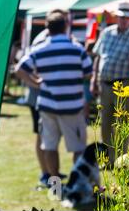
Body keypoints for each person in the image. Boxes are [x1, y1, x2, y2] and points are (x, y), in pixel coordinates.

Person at [15, 12, 92, 179]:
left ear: (47, 29)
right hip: (73, 106)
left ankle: (55, 188)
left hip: (48, 105)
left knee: (49, 147)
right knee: (78, 149)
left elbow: (19, 69)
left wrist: (36, 82)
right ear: (65, 26)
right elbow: (88, 73)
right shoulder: (77, 49)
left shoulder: (39, 49)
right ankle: (77, 187)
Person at [21, 9, 70, 186]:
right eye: (64, 20)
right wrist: (37, 83)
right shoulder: (44, 39)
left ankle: (50, 173)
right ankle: (45, 174)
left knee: (46, 137)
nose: (67, 23)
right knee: (43, 137)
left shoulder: (52, 37)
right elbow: (28, 67)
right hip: (38, 97)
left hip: (45, 96)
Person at [91, 2, 129, 166]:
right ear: (117, 17)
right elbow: (98, 56)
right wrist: (94, 78)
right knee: (105, 124)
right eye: (121, 17)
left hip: (124, 85)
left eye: (127, 18)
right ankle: (107, 159)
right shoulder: (106, 32)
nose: (124, 20)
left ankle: (120, 160)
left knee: (122, 126)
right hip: (104, 83)